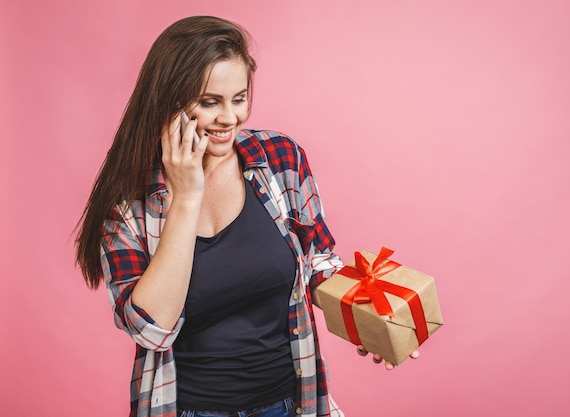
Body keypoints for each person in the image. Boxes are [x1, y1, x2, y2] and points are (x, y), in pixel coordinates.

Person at [75, 15, 416, 417]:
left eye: (238, 99)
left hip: (290, 403)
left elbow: (318, 264)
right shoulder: (127, 204)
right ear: (169, 101)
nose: (229, 119)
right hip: (189, 410)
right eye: (209, 102)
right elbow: (151, 328)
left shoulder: (280, 158)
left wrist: (368, 319)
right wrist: (186, 197)